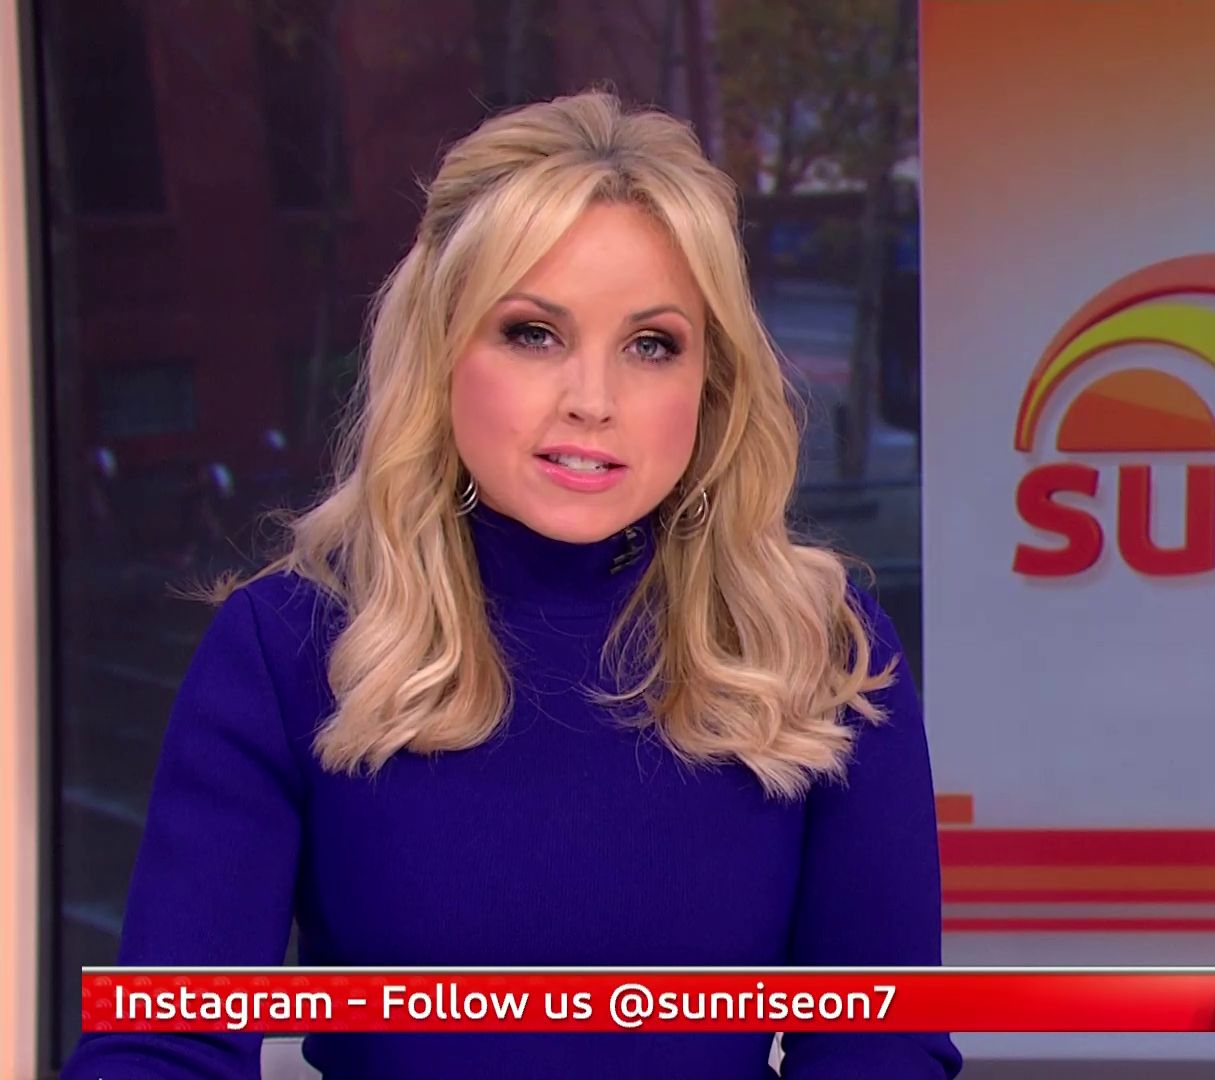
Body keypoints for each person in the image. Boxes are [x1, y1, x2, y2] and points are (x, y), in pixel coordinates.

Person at [62, 91, 961, 1080]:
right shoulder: (288, 648)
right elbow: (165, 1045)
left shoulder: (820, 650)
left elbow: (883, 1045)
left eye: (651, 345)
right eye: (534, 332)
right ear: (443, 351)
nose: (592, 401)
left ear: (709, 387)